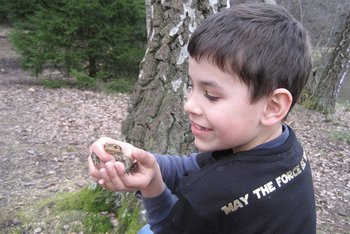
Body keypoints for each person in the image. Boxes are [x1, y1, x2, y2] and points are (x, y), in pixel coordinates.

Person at [88, 3, 316, 234]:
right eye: (191, 86)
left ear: (272, 106)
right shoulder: (282, 146)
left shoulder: (212, 195)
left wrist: (152, 186)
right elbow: (195, 168)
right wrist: (146, 162)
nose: (189, 105)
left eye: (211, 95)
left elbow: (167, 228)